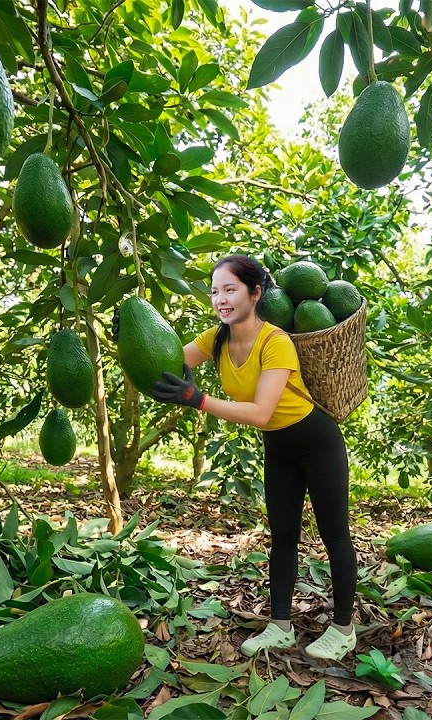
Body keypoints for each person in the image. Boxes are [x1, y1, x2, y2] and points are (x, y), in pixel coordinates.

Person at [119, 254, 359, 661]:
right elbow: (165, 365)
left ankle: (343, 629)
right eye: (215, 291)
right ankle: (281, 626)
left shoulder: (276, 342)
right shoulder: (216, 339)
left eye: (230, 289)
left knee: (334, 535)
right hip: (279, 447)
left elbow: (262, 411)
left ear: (255, 293)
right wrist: (127, 336)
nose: (221, 299)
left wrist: (198, 399)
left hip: (318, 442)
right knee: (282, 537)